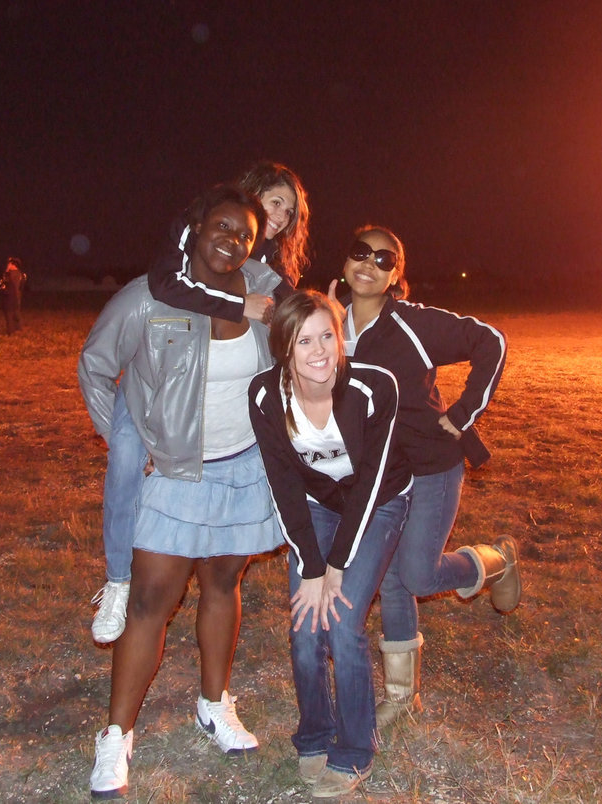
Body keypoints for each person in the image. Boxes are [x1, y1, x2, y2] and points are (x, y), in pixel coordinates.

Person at [77, 184, 285, 799]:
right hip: (176, 474)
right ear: (194, 229)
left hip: (242, 467)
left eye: (244, 234)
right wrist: (125, 442)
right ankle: (116, 735)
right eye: (221, 227)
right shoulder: (147, 299)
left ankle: (214, 703)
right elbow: (95, 363)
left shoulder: (263, 300)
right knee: (149, 603)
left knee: (223, 585)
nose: (232, 241)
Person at [88, 161, 311, 645]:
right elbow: (166, 289)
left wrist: (331, 317)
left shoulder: (263, 271)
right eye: (275, 203)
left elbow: (294, 317)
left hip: (227, 446)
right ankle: (118, 579)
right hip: (151, 406)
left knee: (221, 578)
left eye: (289, 212)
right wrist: (132, 429)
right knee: (127, 456)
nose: (281, 218)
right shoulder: (185, 244)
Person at [331, 225, 521, 729]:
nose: (369, 264)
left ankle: (495, 560)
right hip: (379, 477)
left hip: (432, 467)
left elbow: (492, 342)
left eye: (384, 259)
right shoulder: (331, 323)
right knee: (392, 582)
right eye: (359, 253)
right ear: (344, 262)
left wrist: (463, 413)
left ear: (397, 275)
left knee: (415, 574)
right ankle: (401, 695)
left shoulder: (413, 324)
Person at [249, 290, 411, 798]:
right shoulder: (264, 397)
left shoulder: (374, 386)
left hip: (380, 500)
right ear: (283, 348)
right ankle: (315, 732)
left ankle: (357, 745)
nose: (320, 351)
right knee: (304, 619)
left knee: (340, 618)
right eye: (304, 341)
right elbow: (284, 486)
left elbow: (369, 481)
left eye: (328, 336)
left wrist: (336, 565)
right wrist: (310, 565)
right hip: (317, 507)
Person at [0, 257, 26, 334]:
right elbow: (22, 286)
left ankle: (11, 330)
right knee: (16, 312)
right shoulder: (21, 274)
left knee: (9, 313)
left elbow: (2, 283)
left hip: (9, 296)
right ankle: (18, 328)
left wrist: (7, 270)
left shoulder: (9, 274)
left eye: (9, 263)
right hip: (17, 296)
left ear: (13, 265)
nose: (7, 265)